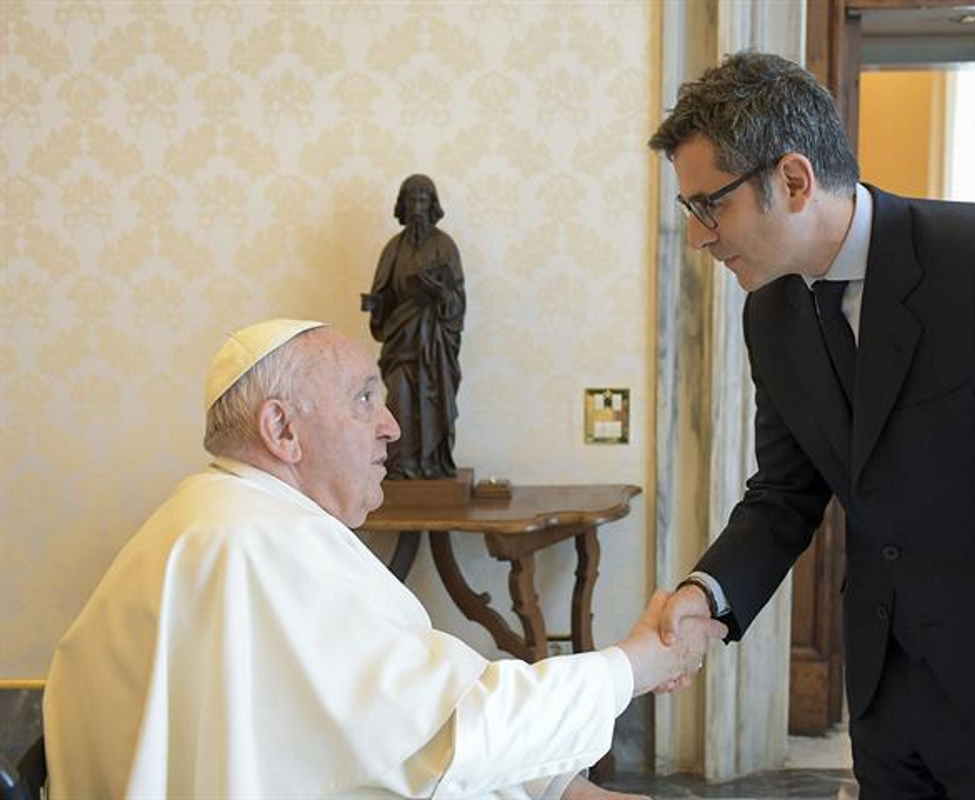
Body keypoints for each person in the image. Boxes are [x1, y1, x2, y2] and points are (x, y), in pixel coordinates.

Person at [649, 52, 975, 799]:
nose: (700, 237)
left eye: (709, 206)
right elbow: (785, 493)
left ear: (792, 180)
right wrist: (707, 596)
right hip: (887, 699)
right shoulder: (773, 313)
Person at [43, 319, 725, 799]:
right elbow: (450, 732)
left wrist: (561, 787)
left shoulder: (224, 516)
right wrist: (637, 663)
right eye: (365, 398)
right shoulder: (260, 544)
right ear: (282, 429)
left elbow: (398, 718)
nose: (392, 425)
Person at [367, 174, 465, 480]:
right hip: (400, 341)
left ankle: (433, 463)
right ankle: (402, 465)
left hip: (434, 346)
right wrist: (375, 306)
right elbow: (383, 294)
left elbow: (457, 301)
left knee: (434, 403)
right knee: (399, 401)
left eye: (423, 200)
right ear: (403, 205)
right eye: (412, 200)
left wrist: (438, 293)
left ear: (432, 205)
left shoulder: (444, 246)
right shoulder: (393, 249)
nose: (417, 207)